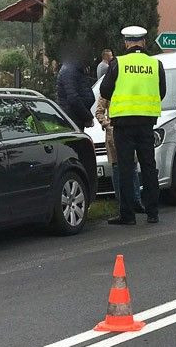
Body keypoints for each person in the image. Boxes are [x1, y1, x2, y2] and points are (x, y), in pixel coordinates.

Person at [99, 25, 166, 225]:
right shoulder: (155, 64)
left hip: (123, 123)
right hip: (146, 122)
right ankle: (153, 212)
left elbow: (104, 90)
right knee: (148, 166)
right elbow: (162, 91)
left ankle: (127, 215)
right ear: (144, 42)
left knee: (126, 168)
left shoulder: (118, 63)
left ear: (126, 42)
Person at [94, 95, 144, 214]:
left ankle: (136, 201)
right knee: (117, 168)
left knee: (132, 166)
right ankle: (122, 203)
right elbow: (99, 111)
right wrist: (106, 124)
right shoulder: (107, 88)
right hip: (114, 133)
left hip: (129, 129)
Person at [56, 54, 94, 129]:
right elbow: (73, 98)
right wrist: (87, 117)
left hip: (76, 118)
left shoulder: (77, 69)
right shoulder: (69, 70)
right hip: (72, 119)